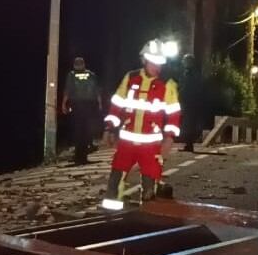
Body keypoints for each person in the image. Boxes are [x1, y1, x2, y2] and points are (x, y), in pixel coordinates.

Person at [100, 39, 181, 210]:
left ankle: (149, 217)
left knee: (150, 180)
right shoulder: (130, 78)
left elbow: (174, 113)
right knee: (116, 178)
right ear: (144, 60)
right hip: (126, 142)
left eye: (160, 63)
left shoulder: (167, 84)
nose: (157, 67)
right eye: (153, 62)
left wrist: (169, 138)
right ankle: (110, 216)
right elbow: (117, 105)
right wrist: (109, 128)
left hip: (151, 145)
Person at [61, 57, 102, 165]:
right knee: (86, 131)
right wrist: (99, 104)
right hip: (90, 105)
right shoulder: (91, 75)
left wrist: (64, 104)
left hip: (77, 105)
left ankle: (78, 157)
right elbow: (97, 91)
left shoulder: (71, 75)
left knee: (77, 131)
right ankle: (83, 157)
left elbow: (67, 90)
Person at [178, 54, 204, 151]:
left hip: (189, 102)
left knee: (188, 123)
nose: (183, 63)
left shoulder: (191, 73)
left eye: (185, 61)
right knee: (188, 123)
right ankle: (188, 144)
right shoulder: (190, 72)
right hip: (189, 101)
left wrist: (182, 95)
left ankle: (189, 144)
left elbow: (188, 87)